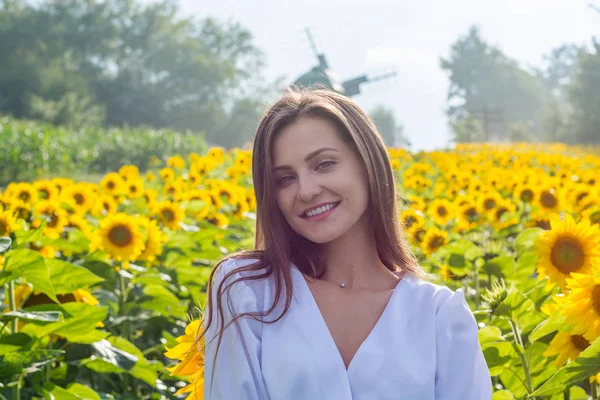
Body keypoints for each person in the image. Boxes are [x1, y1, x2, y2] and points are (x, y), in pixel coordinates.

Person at [201, 87, 492, 399]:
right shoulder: (248, 291)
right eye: (285, 179)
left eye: (324, 164)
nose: (307, 190)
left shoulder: (439, 317)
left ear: (368, 164)